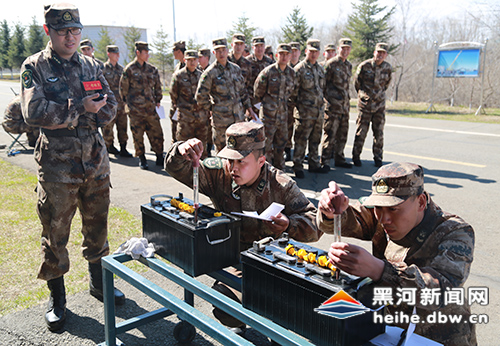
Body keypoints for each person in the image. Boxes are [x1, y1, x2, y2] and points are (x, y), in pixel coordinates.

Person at [20, 3, 125, 332]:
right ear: (48, 30)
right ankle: (58, 297)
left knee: (98, 227)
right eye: (63, 30)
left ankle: (98, 284)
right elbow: (34, 113)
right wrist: (81, 107)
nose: (70, 36)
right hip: (57, 166)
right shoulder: (34, 66)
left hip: (95, 161)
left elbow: (111, 108)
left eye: (75, 30)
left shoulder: (92, 65)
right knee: (55, 232)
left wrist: (80, 111)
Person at [165, 122, 323, 332]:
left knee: (284, 313)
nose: (233, 167)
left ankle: (275, 329)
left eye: (241, 161)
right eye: (230, 160)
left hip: (272, 262)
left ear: (261, 161)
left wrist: (288, 225)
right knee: (224, 303)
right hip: (233, 258)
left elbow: (315, 223)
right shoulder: (219, 173)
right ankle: (239, 320)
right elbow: (176, 168)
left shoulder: (280, 185)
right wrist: (180, 150)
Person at [317, 162, 476, 346]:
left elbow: (440, 291)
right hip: (392, 330)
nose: (384, 219)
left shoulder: (455, 232)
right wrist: (332, 211)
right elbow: (349, 219)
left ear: (421, 202)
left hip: (438, 337)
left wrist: (380, 270)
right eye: (379, 208)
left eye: (393, 209)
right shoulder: (381, 215)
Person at [195, 37, 257, 152]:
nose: (221, 53)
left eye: (223, 50)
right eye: (218, 51)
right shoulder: (210, 73)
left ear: (228, 50)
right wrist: (214, 108)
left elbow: (243, 91)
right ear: (214, 53)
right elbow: (200, 97)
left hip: (238, 119)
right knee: (223, 152)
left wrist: (250, 109)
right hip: (221, 123)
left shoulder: (236, 69)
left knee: (239, 152)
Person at [120, 41, 164, 170]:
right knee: (138, 135)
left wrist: (158, 100)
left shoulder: (152, 69)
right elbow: (123, 90)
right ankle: (142, 158)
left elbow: (157, 87)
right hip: (136, 111)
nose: (148, 55)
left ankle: (159, 156)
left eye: (148, 52)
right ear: (138, 53)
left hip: (151, 109)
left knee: (157, 133)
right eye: (145, 52)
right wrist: (129, 106)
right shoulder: (129, 70)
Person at [254, 43, 296, 170]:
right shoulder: (268, 72)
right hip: (268, 117)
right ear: (277, 55)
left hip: (283, 117)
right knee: (265, 147)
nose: (284, 57)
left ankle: (279, 172)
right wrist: (258, 112)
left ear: (290, 56)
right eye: (281, 54)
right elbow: (257, 93)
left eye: (287, 54)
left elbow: (292, 93)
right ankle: (265, 172)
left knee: (280, 146)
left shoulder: (292, 73)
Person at [352, 42, 392, 167]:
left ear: (386, 55)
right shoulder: (364, 66)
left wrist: (377, 96)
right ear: (374, 52)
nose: (380, 55)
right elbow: (357, 83)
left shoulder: (387, 68)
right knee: (361, 132)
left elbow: (386, 85)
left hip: (379, 106)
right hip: (365, 105)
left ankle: (378, 157)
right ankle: (356, 156)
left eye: (383, 53)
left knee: (379, 133)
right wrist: (364, 96)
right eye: (378, 52)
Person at [292, 38, 327, 178]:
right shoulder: (299, 69)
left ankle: (314, 164)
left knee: (315, 140)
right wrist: (300, 108)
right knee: (301, 140)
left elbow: (321, 88)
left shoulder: (319, 69)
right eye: (311, 51)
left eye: (316, 52)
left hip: (318, 113)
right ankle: (298, 166)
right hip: (304, 113)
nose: (313, 54)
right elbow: (293, 93)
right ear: (306, 51)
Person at [169, 50, 210, 158]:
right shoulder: (178, 76)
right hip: (185, 119)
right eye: (189, 60)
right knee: (184, 147)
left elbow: (206, 94)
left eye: (194, 60)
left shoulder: (202, 75)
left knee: (201, 147)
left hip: (200, 119)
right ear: (184, 60)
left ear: (198, 61)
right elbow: (173, 94)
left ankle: (201, 172)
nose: (192, 62)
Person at [320, 38, 353, 169]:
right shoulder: (331, 64)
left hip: (344, 106)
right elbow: (323, 84)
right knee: (330, 133)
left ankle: (339, 158)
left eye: (348, 49)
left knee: (342, 133)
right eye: (343, 48)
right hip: (333, 105)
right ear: (338, 49)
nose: (345, 51)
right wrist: (327, 100)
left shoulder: (348, 65)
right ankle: (325, 160)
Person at [102, 45, 132, 157]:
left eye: (118, 53)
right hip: (108, 105)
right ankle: (109, 147)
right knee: (108, 128)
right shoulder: (103, 69)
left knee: (123, 127)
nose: (117, 55)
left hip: (121, 104)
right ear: (109, 54)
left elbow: (126, 86)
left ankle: (123, 147)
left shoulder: (121, 69)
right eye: (115, 53)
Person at [246, 36, 273, 113]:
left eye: (261, 46)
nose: (259, 48)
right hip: (251, 102)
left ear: (264, 47)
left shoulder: (269, 62)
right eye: (257, 46)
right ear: (252, 47)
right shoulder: (247, 61)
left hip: (266, 102)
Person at [285, 41, 301, 161]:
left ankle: (297, 153)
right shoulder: (285, 66)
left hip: (300, 104)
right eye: (292, 51)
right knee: (287, 128)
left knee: (298, 129)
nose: (294, 53)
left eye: (296, 51)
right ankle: (287, 150)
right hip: (286, 104)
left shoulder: (302, 67)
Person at [228, 33, 253, 107]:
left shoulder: (247, 64)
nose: (239, 46)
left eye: (241, 44)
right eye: (236, 44)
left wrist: (248, 106)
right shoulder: (225, 61)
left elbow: (248, 86)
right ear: (232, 45)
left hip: (241, 105)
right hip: (225, 106)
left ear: (244, 46)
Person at [170, 40, 187, 143]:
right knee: (175, 132)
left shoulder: (189, 65)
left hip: (185, 107)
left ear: (179, 51)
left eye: (174, 51)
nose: (173, 54)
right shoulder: (178, 66)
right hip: (176, 105)